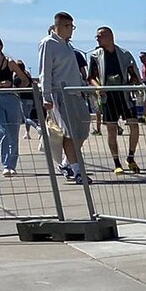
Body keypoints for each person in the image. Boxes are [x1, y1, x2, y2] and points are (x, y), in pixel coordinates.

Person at [39, 12, 93, 183]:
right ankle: (78, 171)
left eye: (72, 26)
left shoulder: (68, 46)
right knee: (69, 134)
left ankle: (66, 163)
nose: (71, 30)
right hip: (59, 94)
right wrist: (46, 96)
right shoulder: (48, 43)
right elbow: (44, 71)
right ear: (58, 26)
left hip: (75, 93)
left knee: (82, 131)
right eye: (68, 26)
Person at [87, 26, 143, 174]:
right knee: (111, 129)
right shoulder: (95, 56)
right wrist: (99, 88)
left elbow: (135, 75)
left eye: (100, 36)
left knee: (134, 125)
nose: (97, 39)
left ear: (110, 37)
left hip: (123, 96)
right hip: (107, 97)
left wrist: (129, 85)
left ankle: (131, 157)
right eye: (97, 36)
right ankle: (116, 162)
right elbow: (91, 77)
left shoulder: (124, 54)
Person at [0, 35, 33, 176]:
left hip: (11, 98)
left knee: (13, 132)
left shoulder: (9, 62)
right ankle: (5, 164)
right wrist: (1, 84)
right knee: (2, 131)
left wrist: (13, 86)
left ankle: (11, 165)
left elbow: (25, 80)